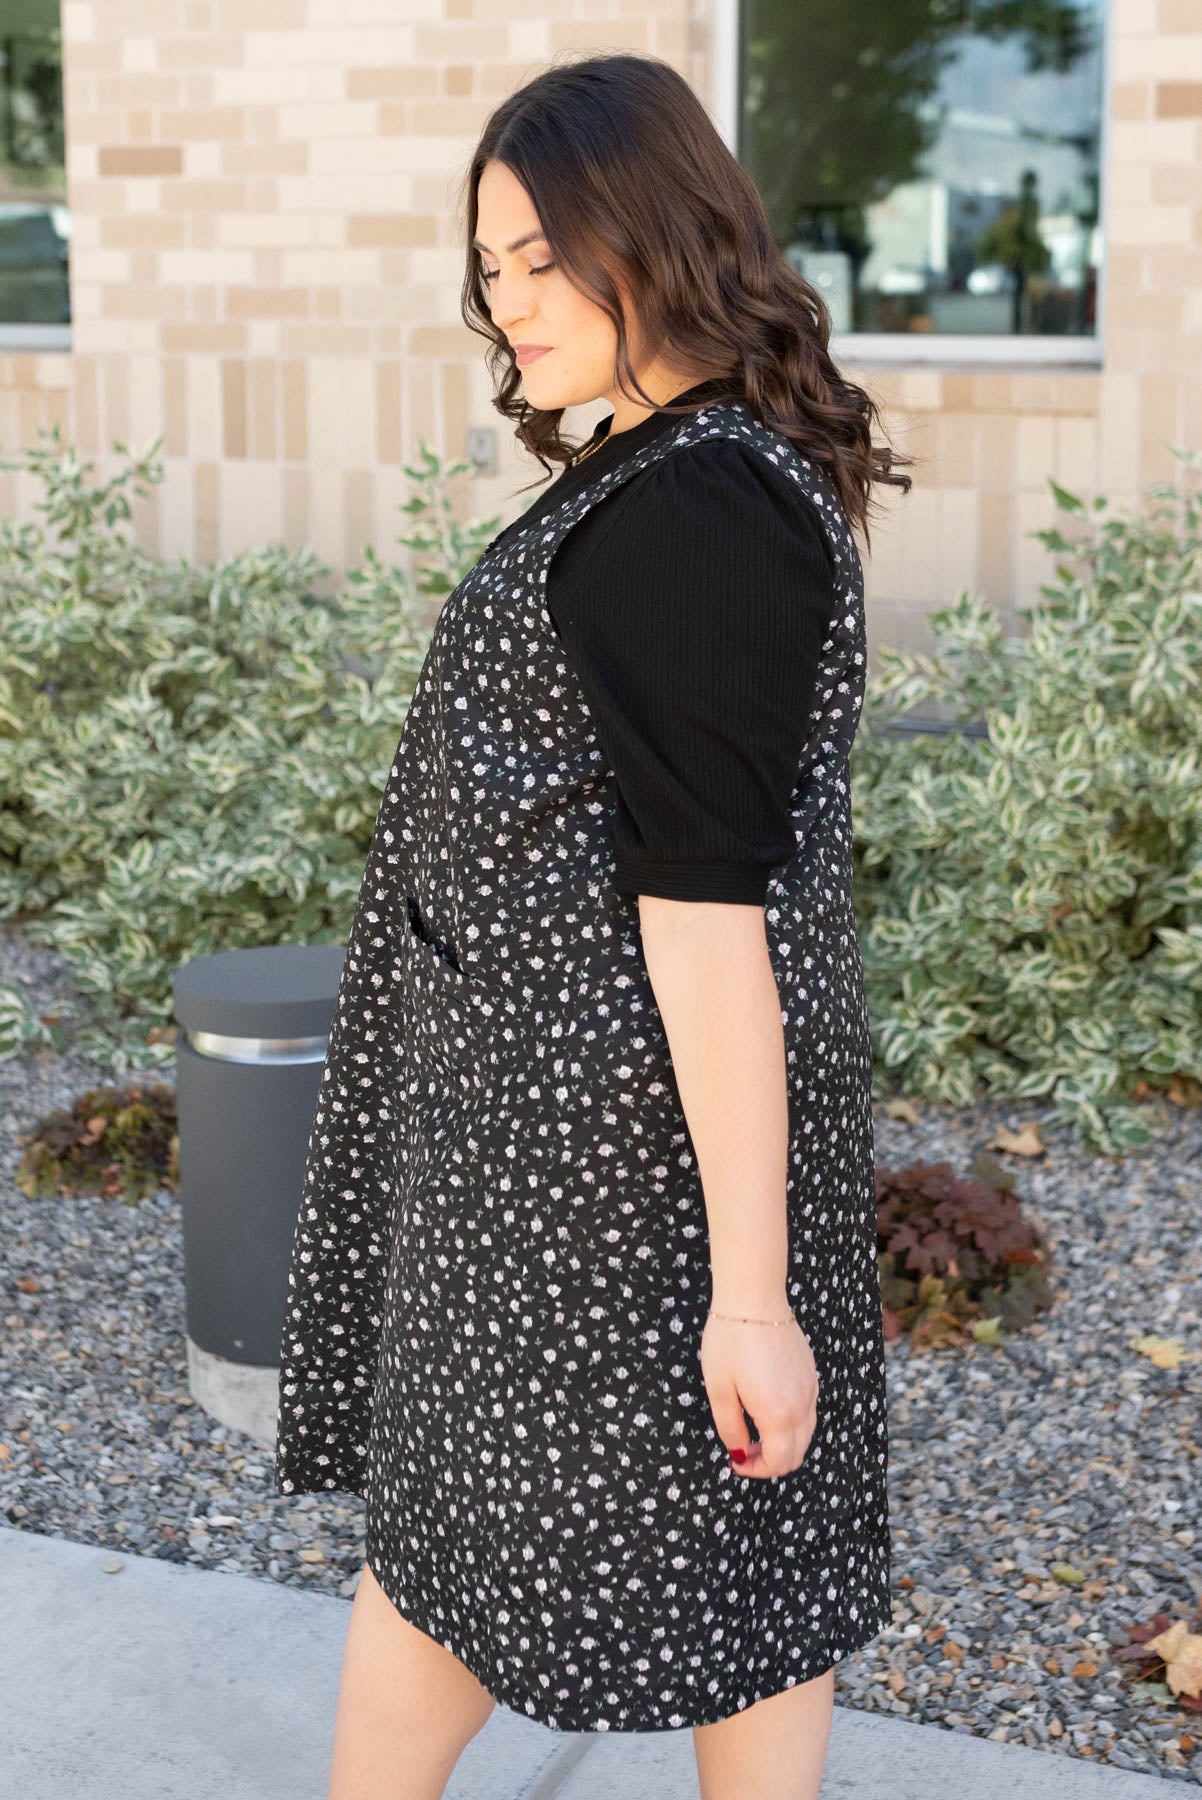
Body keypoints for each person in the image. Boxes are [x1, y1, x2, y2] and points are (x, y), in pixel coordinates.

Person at [274, 48, 912, 1800]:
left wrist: (754, 1298)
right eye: (490, 267)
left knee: (491, 1568)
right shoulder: (666, 468)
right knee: (684, 1553)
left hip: (602, 1181)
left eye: (544, 255)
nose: (508, 300)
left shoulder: (704, 505)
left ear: (655, 229)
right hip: (552, 1156)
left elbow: (715, 921)